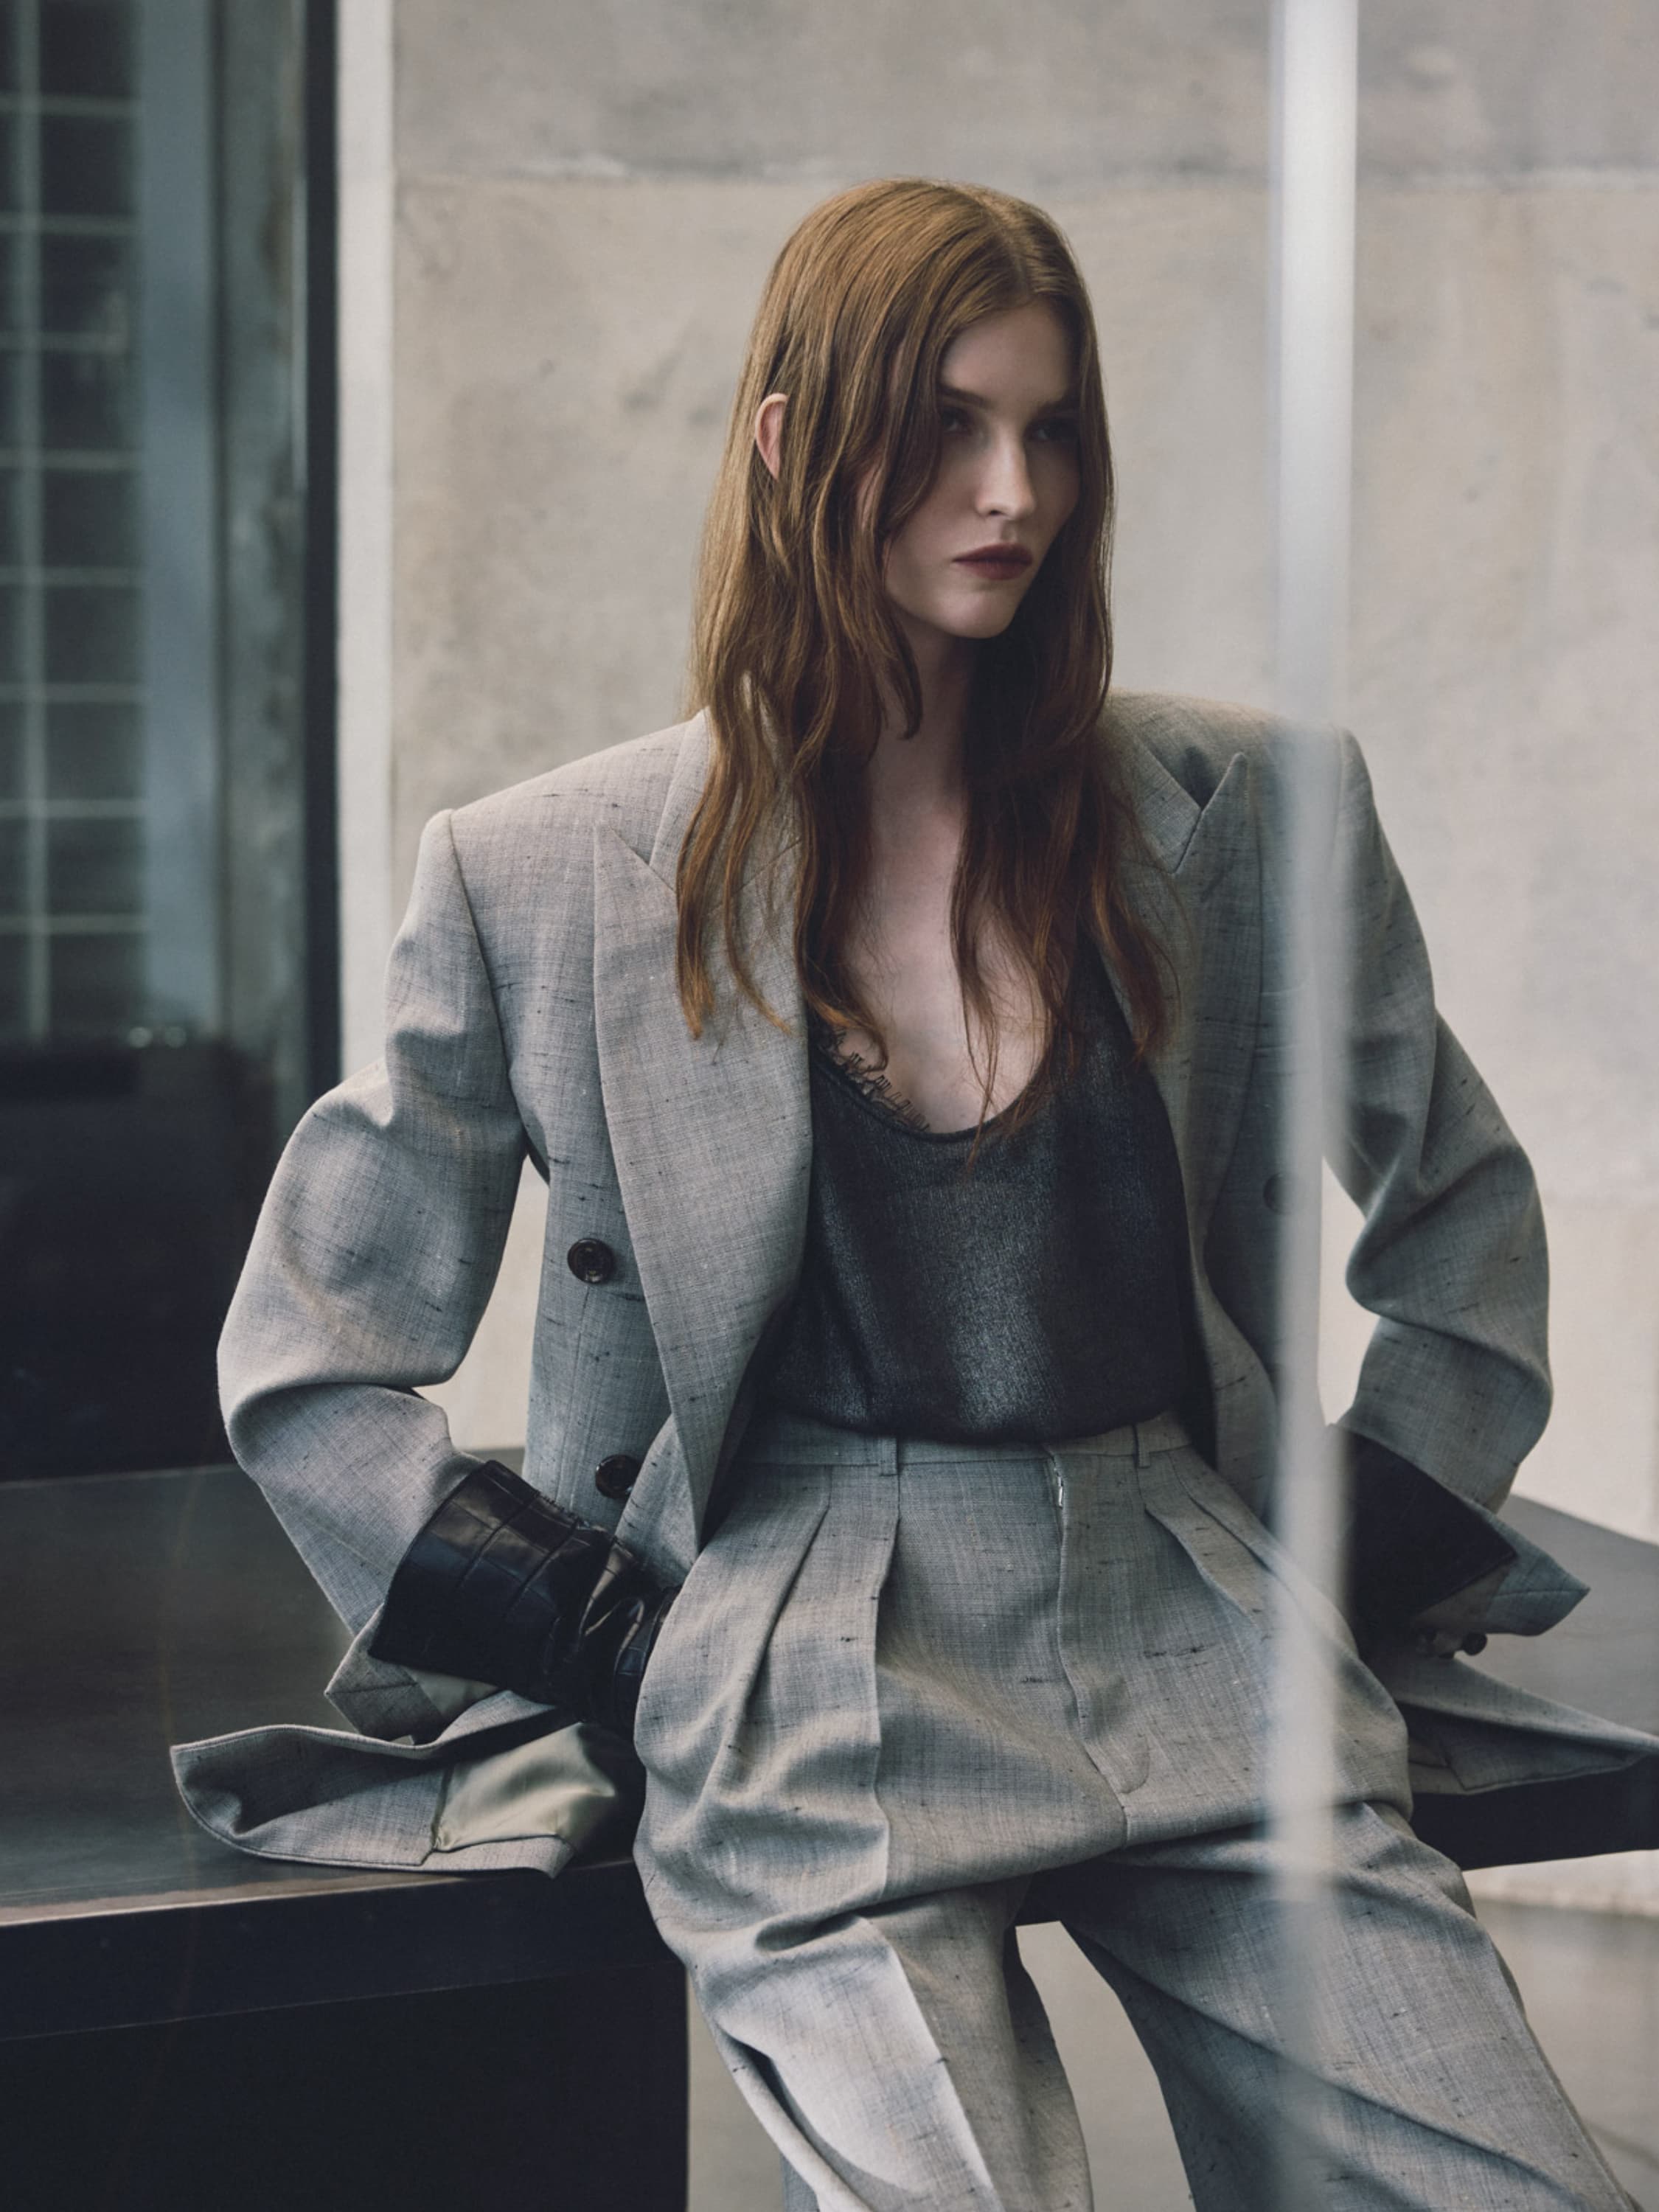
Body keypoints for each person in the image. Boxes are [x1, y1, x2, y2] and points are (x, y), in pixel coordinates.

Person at [176, 178, 1658, 2210]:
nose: (1011, 491)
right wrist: (609, 1638)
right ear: (792, 442)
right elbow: (309, 1355)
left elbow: (1464, 1229)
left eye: (1050, 432)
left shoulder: (1248, 812)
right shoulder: (547, 871)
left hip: (1196, 1600)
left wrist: (1344, 1556)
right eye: (947, 428)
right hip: (798, 1642)